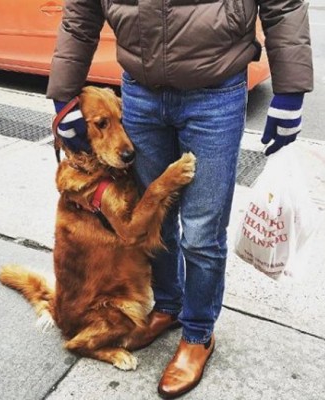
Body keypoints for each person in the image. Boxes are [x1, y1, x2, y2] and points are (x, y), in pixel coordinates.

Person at [47, 1, 312, 398]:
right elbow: (82, 11)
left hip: (215, 93)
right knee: (157, 221)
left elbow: (284, 4)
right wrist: (64, 97)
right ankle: (168, 306)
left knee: (203, 233)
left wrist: (289, 92)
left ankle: (199, 334)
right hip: (139, 93)